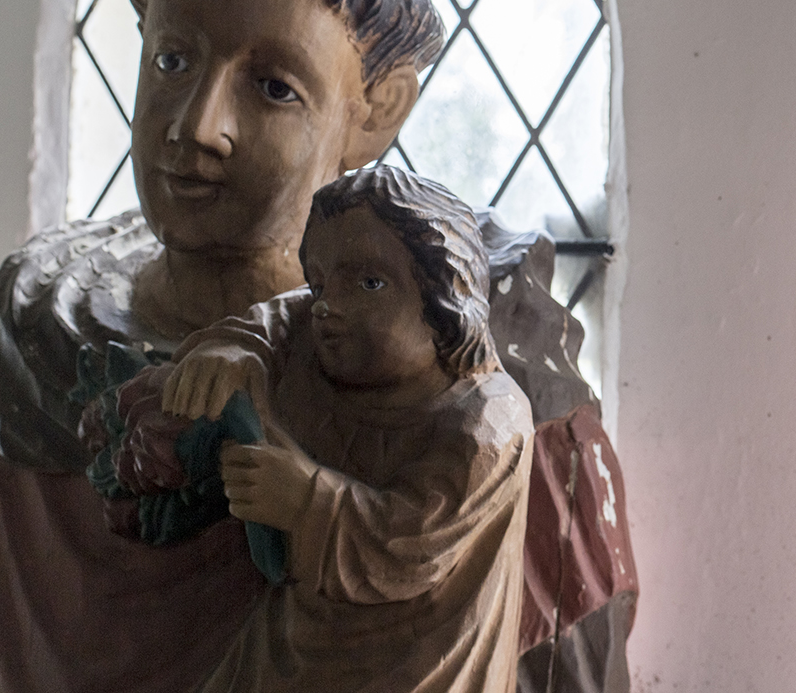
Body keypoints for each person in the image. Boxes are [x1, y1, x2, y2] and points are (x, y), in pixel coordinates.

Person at [0, 0, 635, 693]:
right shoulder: (21, 354)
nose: (197, 126)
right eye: (171, 60)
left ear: (377, 112)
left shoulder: (486, 376)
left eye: (273, 88)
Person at [163, 164, 533, 692]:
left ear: (446, 294)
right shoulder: (322, 334)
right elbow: (278, 318)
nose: (327, 306)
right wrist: (235, 347)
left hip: (418, 669)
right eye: (319, 283)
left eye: (369, 282)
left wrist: (305, 501)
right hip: (293, 652)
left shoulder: (487, 420)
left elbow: (410, 544)